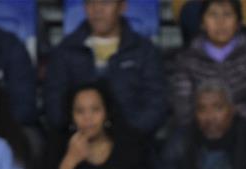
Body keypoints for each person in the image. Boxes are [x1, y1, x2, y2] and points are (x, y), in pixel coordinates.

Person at [32, 81, 152, 169]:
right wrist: (70, 161)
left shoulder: (130, 147)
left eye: (95, 110)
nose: (88, 118)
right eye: (80, 111)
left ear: (106, 113)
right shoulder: (58, 146)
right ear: (71, 117)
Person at [44, 0, 166, 136]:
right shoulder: (65, 51)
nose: (97, 10)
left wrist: (129, 137)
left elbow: (156, 104)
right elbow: (54, 105)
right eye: (90, 3)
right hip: (77, 140)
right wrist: (76, 132)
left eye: (105, 2)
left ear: (122, 7)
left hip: (134, 141)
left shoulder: (144, 51)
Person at [170, 0, 246, 129]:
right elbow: (182, 108)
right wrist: (208, 121)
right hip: (200, 131)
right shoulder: (187, 58)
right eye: (213, 15)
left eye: (227, 15)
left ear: (238, 24)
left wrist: (234, 119)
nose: (220, 22)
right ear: (202, 24)